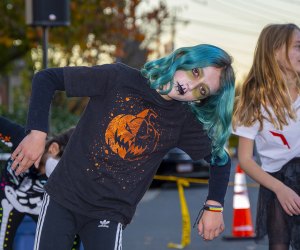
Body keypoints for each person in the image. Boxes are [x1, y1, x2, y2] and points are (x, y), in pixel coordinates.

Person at [10, 44, 235, 250]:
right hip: (63, 197)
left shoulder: (182, 121)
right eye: (196, 72)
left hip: (109, 213)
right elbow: (46, 78)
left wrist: (214, 206)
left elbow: (220, 160)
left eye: (202, 90)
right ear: (183, 57)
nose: (190, 86)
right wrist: (37, 135)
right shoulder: (118, 78)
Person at [232, 23, 300, 250]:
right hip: (277, 186)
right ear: (275, 51)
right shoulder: (253, 100)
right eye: (298, 46)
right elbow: (246, 159)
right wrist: (280, 189)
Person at [0, 116, 79, 249]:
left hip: (44, 207)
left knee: (72, 236)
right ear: (53, 149)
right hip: (9, 199)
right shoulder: (24, 142)